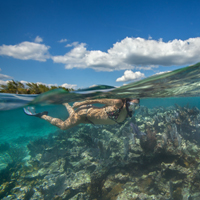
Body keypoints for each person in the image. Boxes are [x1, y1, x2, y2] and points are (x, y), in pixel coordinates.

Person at [23, 98, 140, 130]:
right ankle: (41, 115)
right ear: (127, 101)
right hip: (84, 114)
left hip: (89, 120)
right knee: (64, 126)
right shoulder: (118, 103)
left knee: (72, 117)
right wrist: (81, 103)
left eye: (136, 106)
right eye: (133, 105)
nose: (133, 109)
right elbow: (98, 100)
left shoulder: (127, 113)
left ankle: (66, 104)